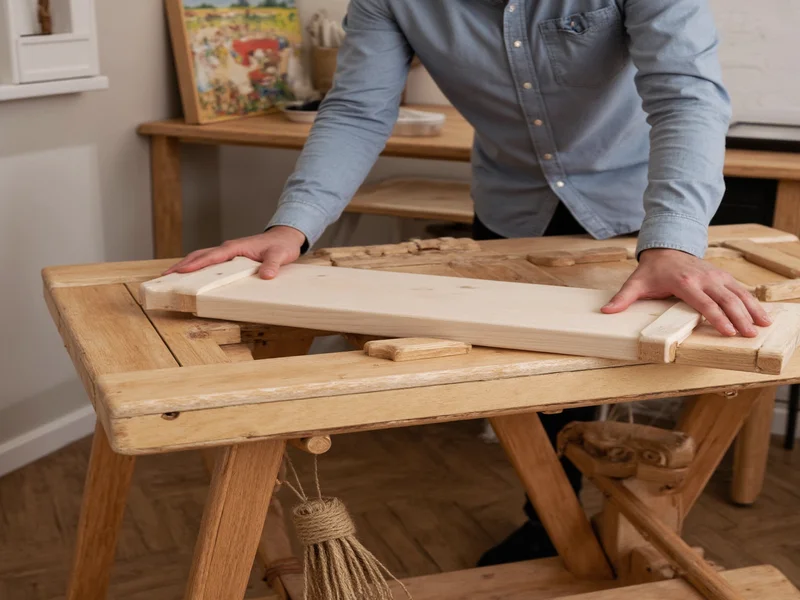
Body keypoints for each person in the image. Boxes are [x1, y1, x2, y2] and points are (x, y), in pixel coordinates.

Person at [166, 0, 772, 566]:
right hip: (514, 207)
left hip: (646, 206)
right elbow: (357, 109)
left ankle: (631, 523)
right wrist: (292, 226)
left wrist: (672, 241)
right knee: (524, 383)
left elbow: (685, 98)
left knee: (638, 361)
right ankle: (548, 519)